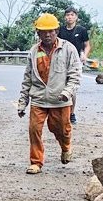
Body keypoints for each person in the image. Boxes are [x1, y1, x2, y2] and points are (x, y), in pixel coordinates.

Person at [17, 13, 82, 174]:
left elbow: (75, 75)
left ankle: (66, 146)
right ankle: (36, 162)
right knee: (34, 130)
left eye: (51, 31)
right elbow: (27, 78)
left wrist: (67, 92)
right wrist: (22, 102)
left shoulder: (68, 49)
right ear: (38, 33)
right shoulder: (34, 51)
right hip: (38, 99)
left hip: (60, 100)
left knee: (61, 129)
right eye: (43, 32)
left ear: (57, 31)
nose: (47, 35)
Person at [57, 6, 90, 124]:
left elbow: (87, 45)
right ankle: (59, 112)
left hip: (75, 62)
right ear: (65, 17)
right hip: (61, 61)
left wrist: (84, 55)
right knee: (59, 87)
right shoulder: (60, 30)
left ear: (76, 17)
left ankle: (71, 113)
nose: (69, 17)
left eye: (72, 15)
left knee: (72, 88)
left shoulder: (81, 30)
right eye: (67, 15)